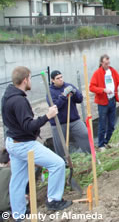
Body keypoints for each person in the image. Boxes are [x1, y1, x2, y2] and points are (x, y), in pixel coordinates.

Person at [1, 66, 71, 221]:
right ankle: (54, 200)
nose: (31, 81)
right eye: (30, 78)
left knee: (18, 179)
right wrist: (48, 115)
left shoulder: (7, 95)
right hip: (24, 144)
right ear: (25, 79)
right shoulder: (19, 100)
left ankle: (18, 213)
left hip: (12, 141)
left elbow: (19, 122)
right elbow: (28, 126)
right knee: (57, 164)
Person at [47, 70, 90, 160]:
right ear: (52, 80)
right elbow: (55, 106)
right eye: (58, 78)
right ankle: (62, 162)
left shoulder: (68, 86)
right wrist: (63, 96)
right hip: (58, 123)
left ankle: (90, 156)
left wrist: (74, 93)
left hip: (74, 119)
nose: (61, 80)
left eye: (61, 77)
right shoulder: (50, 92)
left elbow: (80, 99)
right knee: (60, 145)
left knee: (85, 134)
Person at [90, 54, 119, 152]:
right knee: (102, 124)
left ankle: (108, 141)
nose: (107, 65)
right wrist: (103, 90)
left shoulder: (112, 71)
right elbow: (91, 87)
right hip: (103, 103)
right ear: (101, 63)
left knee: (112, 123)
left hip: (112, 100)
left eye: (109, 63)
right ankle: (101, 145)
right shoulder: (97, 73)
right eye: (105, 63)